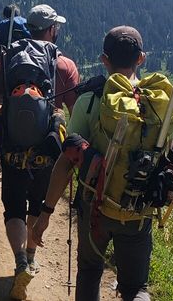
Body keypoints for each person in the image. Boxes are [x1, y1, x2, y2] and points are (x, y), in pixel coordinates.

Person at [32, 26, 163, 301]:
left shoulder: (90, 101)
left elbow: (66, 162)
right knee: (136, 287)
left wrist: (46, 212)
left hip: (95, 209)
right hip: (137, 212)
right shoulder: (156, 104)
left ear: (104, 60)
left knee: (90, 271)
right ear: (141, 59)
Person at [0, 4, 80, 300]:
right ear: (51, 30)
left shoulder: (8, 57)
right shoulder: (65, 66)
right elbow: (76, 116)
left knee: (13, 207)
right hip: (47, 151)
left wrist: (6, 114)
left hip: (12, 148)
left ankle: (19, 262)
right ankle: (32, 255)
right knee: (37, 206)